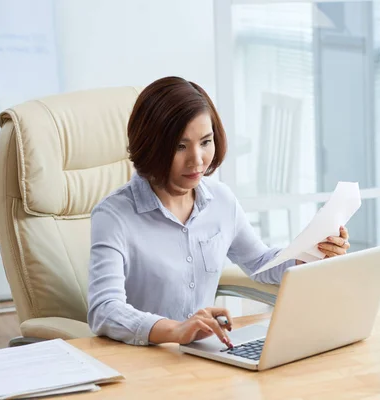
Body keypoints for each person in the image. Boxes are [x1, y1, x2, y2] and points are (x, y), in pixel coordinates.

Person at [87, 76, 350, 348]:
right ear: (151, 145)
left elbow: (259, 262)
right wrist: (177, 330)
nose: (197, 160)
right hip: (144, 361)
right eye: (180, 146)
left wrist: (312, 253)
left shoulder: (220, 200)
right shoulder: (114, 216)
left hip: (205, 355)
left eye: (205, 141)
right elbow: (104, 309)